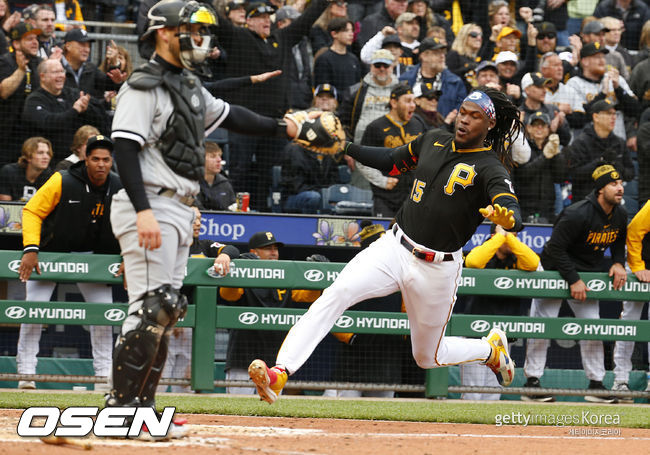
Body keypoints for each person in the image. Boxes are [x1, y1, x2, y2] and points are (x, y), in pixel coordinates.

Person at [248, 86, 524, 404]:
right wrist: (345, 146)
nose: (465, 120)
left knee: (428, 356)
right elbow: (391, 163)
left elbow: (511, 210)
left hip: (437, 267)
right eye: (463, 111)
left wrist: (507, 218)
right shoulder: (433, 138)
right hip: (394, 247)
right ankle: (280, 373)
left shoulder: (491, 165)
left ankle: (490, 350)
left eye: (475, 116)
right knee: (336, 294)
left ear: (489, 125)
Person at [104, 0, 303, 436]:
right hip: (150, 203)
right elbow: (123, 148)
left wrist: (284, 127)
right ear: (163, 33)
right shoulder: (143, 85)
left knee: (167, 310)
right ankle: (121, 410)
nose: (199, 39)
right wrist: (142, 212)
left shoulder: (189, 86)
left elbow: (232, 116)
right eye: (189, 30)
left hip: (179, 206)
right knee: (150, 308)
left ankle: (143, 411)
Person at [15, 135, 122, 390]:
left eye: (106, 159)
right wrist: (31, 248)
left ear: (111, 161)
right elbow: (31, 210)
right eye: (95, 158)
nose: (100, 164)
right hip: (51, 253)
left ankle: (104, 376)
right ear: (86, 159)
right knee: (34, 311)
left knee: (103, 316)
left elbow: (132, 225)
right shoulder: (62, 179)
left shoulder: (119, 187)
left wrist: (127, 256)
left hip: (94, 257)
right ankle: (26, 373)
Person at [523, 164, 627, 403]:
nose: (620, 188)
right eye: (613, 184)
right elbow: (554, 249)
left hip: (585, 274)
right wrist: (573, 279)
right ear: (601, 190)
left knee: (592, 327)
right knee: (543, 326)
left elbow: (619, 242)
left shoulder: (620, 214)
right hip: (553, 270)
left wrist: (619, 262)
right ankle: (532, 382)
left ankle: (596, 385)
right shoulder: (577, 213)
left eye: (620, 183)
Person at [214, 0, 329, 210]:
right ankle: (233, 211)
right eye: (260, 17)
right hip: (243, 120)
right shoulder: (236, 36)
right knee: (240, 169)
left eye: (268, 17)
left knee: (271, 171)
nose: (266, 20)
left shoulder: (282, 37)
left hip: (275, 122)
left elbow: (305, 21)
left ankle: (265, 212)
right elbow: (216, 20)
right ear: (248, 21)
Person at [219, 231, 323, 394]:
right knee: (237, 408)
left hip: (273, 359)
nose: (273, 252)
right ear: (254, 252)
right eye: (267, 248)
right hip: (243, 355)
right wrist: (238, 269)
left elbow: (307, 296)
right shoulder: (244, 276)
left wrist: (319, 273)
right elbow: (228, 294)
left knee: (270, 409)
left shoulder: (286, 277)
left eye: (275, 248)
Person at [158, 206, 239, 393]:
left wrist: (225, 255)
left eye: (200, 219)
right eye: (193, 218)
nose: (198, 222)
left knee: (186, 385)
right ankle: (152, 419)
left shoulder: (204, 246)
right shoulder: (167, 245)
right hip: (166, 322)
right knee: (159, 381)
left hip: (193, 325)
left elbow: (232, 248)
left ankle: (182, 421)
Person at [461, 223, 539, 401]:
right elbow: (472, 262)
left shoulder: (516, 257)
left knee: (493, 393)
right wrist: (497, 238)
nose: (514, 238)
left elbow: (533, 263)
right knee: (472, 392)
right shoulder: (485, 252)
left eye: (516, 235)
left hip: (503, 335)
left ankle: (489, 429)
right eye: (510, 234)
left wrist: (508, 237)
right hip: (476, 333)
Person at [359, 83, 427, 217]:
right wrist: (382, 181)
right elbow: (362, 161)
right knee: (385, 235)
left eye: (413, 101)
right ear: (394, 103)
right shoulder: (376, 127)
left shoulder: (418, 123)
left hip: (413, 196)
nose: (413, 105)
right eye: (407, 101)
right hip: (386, 198)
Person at [22, 58, 108, 163]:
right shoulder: (34, 100)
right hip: (49, 162)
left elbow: (101, 116)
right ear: (42, 76)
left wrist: (86, 110)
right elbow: (49, 122)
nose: (60, 76)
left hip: (77, 159)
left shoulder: (73, 94)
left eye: (62, 71)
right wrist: (74, 110)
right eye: (55, 72)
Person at [338, 48, 400, 189]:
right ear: (371, 66)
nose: (382, 69)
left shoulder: (401, 91)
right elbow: (343, 123)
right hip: (361, 154)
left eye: (386, 65)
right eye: (377, 65)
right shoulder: (356, 91)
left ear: (393, 66)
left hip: (392, 154)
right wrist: (348, 150)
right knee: (361, 194)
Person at [281, 84, 341, 214]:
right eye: (321, 97)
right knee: (314, 197)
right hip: (296, 197)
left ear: (336, 102)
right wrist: (323, 194)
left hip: (320, 195)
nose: (325, 100)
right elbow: (295, 184)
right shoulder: (298, 142)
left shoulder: (333, 142)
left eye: (329, 97)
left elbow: (334, 179)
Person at [611, 199, 650, 399]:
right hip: (640, 266)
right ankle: (620, 380)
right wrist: (638, 267)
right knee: (629, 322)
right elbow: (633, 233)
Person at [566, 42, 639, 142]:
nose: (602, 61)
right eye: (597, 57)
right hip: (585, 146)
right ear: (585, 61)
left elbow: (635, 110)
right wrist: (603, 94)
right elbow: (578, 120)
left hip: (615, 144)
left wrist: (618, 88)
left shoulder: (617, 80)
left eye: (603, 57)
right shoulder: (574, 84)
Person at [567, 99, 635, 204]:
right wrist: (600, 161)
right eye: (608, 113)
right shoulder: (580, 142)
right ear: (595, 117)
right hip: (585, 203)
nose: (613, 117)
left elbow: (630, 174)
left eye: (614, 113)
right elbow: (575, 175)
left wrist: (616, 164)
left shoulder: (619, 143)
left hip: (612, 204)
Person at [0, 22, 44, 168]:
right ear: (16, 44)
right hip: (7, 135)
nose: (35, 42)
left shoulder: (39, 63)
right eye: (29, 39)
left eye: (36, 38)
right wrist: (20, 70)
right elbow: (4, 92)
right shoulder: (5, 62)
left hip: (32, 134)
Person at [513, 111, 565, 224]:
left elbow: (560, 177)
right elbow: (522, 175)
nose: (539, 128)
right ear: (528, 128)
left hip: (548, 211)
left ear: (548, 129)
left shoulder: (552, 147)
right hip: (523, 210)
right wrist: (545, 157)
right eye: (535, 125)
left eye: (543, 125)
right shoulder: (522, 147)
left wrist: (557, 154)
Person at [399, 37, 467, 117]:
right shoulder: (405, 79)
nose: (442, 56)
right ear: (424, 56)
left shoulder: (455, 82)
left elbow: (461, 111)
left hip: (445, 128)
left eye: (443, 52)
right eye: (436, 53)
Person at [61, 28, 126, 100]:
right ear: (68, 46)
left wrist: (114, 65)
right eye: (82, 45)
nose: (87, 49)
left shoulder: (91, 68)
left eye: (88, 46)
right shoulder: (56, 68)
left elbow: (109, 85)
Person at [313, 18, 362, 99]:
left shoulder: (354, 59)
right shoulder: (324, 59)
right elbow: (323, 89)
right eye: (346, 31)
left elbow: (357, 86)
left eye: (352, 30)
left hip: (351, 107)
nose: (351, 34)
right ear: (334, 34)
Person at [519, 72, 571, 147]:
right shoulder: (519, 115)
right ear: (527, 90)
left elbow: (566, 141)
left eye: (545, 86)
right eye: (539, 87)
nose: (545, 90)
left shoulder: (553, 110)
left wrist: (560, 127)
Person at [0, 136, 54, 202]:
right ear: (28, 157)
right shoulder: (9, 172)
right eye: (40, 153)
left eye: (48, 153)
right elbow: (5, 207)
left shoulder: (50, 177)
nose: (46, 157)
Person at [197, 141, 235, 211]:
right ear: (200, 159)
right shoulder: (192, 183)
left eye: (219, 156)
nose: (219, 160)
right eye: (213, 156)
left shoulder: (225, 184)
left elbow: (232, 209)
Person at [446, 23, 482, 91]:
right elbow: (448, 77)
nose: (479, 38)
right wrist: (467, 68)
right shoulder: (454, 54)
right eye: (474, 35)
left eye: (480, 35)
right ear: (464, 36)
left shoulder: (473, 59)